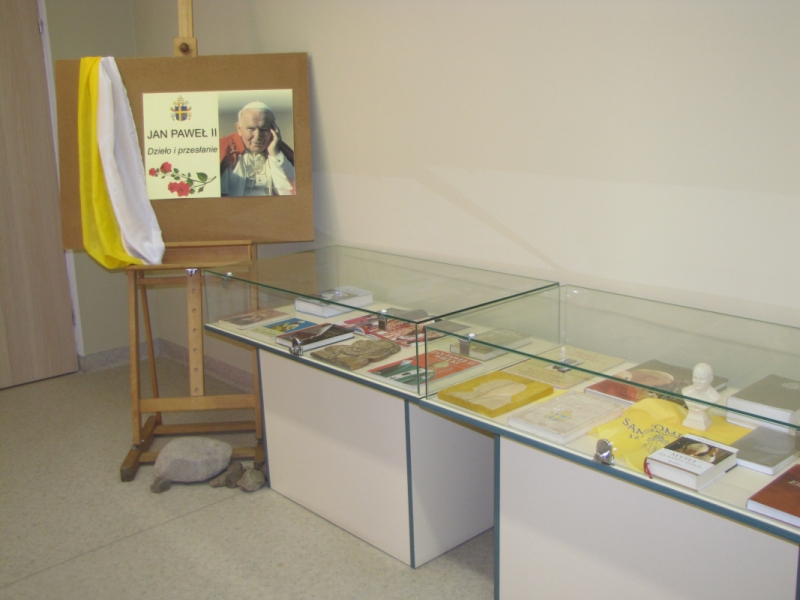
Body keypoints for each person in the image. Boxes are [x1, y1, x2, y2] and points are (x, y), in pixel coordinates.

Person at [219, 101, 295, 196]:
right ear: (239, 129)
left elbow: (292, 191)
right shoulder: (224, 149)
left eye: (264, 129)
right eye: (251, 129)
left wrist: (274, 154)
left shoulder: (278, 150)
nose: (258, 136)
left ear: (273, 129)